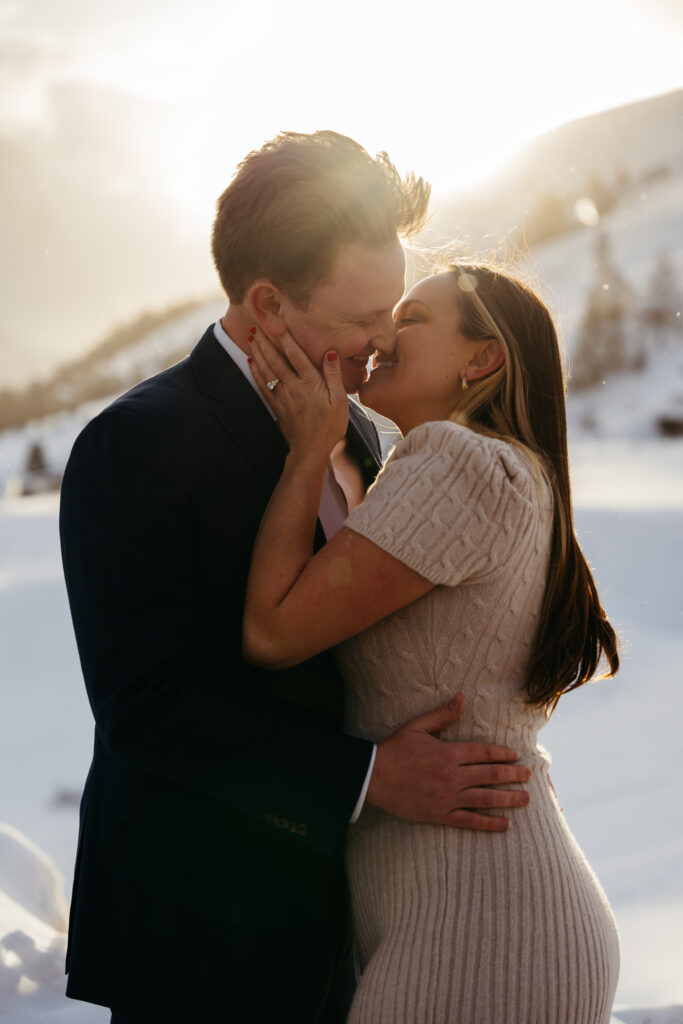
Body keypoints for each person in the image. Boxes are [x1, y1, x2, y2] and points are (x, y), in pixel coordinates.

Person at [58, 132, 532, 1024]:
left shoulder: (356, 430)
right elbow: (144, 706)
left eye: (394, 311)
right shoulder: (136, 443)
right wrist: (364, 779)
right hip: (197, 929)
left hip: (342, 921)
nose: (384, 338)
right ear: (268, 305)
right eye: (362, 319)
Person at [243, 262, 621, 1023]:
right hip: (483, 910)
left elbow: (273, 632)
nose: (384, 336)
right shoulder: (509, 469)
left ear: (480, 360)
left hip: (483, 927)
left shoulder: (455, 460)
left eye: (412, 319)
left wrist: (307, 449)